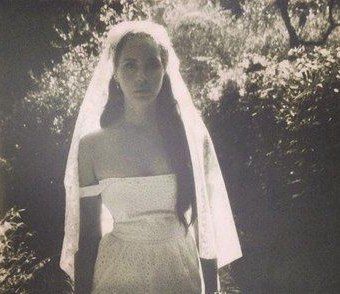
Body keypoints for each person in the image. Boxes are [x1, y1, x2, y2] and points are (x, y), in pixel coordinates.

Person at [60, 20, 242, 294]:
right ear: (115, 74)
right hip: (117, 274)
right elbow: (88, 237)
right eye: (129, 65)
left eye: (152, 64)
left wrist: (212, 289)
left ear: (164, 70)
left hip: (179, 269)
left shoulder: (188, 138)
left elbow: (205, 224)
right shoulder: (92, 146)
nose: (141, 76)